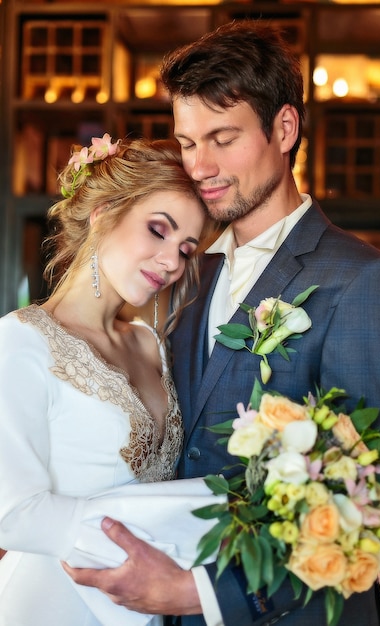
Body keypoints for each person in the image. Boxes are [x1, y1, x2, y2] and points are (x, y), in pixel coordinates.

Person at [64, 20, 380, 626]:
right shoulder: (184, 278)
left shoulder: (363, 283)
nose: (200, 165)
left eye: (222, 138)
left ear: (284, 129)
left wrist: (199, 596)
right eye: (188, 141)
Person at [0, 135, 222, 626]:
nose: (172, 261)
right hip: (53, 604)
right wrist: (150, 554)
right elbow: (11, 512)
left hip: (153, 605)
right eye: (158, 230)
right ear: (103, 214)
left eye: (186, 248)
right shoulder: (20, 341)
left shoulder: (151, 342)